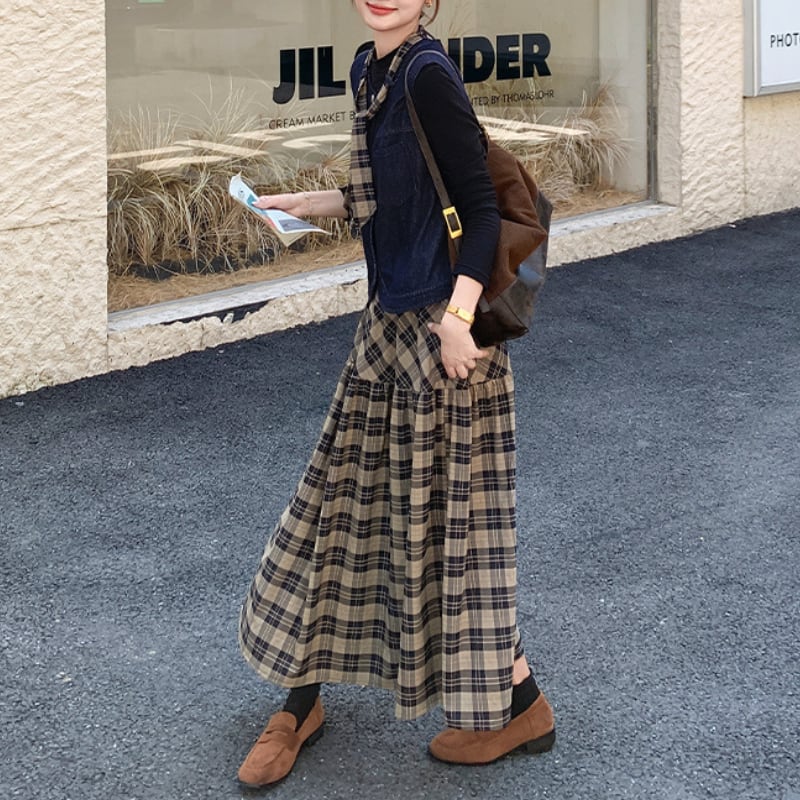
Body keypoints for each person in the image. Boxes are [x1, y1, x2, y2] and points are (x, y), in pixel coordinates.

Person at [236, 0, 555, 787]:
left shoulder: (428, 75)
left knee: (453, 531)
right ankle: (302, 698)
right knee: (340, 503)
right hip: (388, 327)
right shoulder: (369, 68)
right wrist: (304, 205)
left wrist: (458, 321)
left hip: (447, 341)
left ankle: (522, 705)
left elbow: (481, 215)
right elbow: (388, 197)